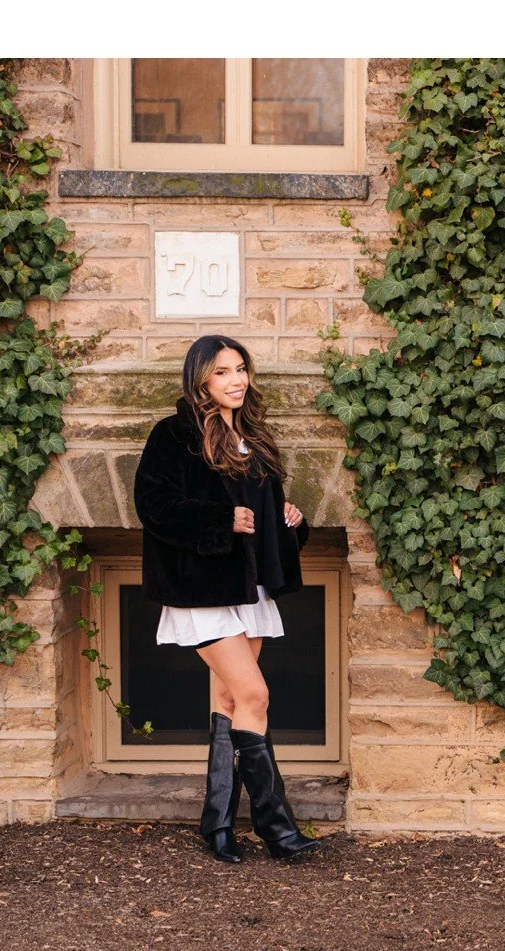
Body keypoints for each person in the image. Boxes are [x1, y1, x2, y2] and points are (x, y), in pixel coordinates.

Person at [133, 335, 321, 863]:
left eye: (241, 369)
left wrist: (292, 522)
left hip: (249, 588)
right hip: (202, 590)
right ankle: (275, 827)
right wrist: (218, 521)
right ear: (200, 380)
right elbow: (153, 504)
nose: (237, 380)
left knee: (231, 702)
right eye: (222, 372)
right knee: (255, 695)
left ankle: (216, 825)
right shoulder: (174, 436)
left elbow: (264, 518)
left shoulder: (255, 438)